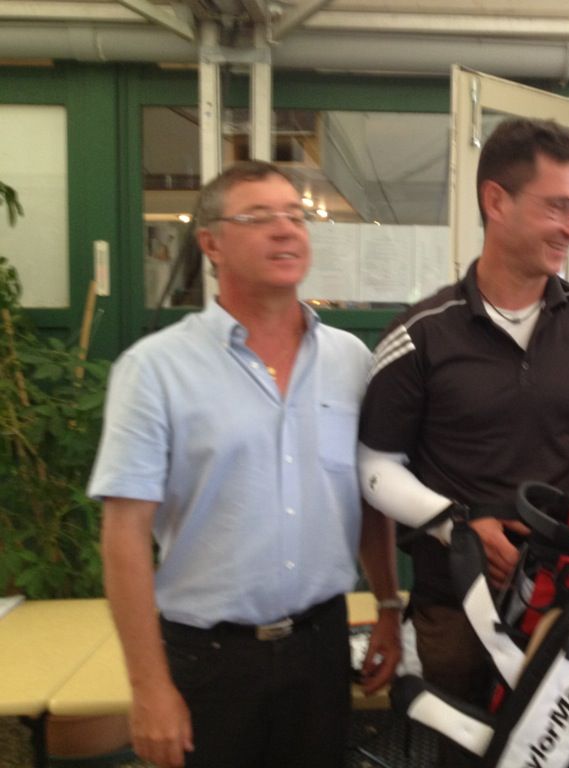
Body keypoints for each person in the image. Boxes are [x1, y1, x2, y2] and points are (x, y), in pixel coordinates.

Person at [357, 117, 569, 768]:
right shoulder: (421, 333)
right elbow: (375, 466)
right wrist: (455, 524)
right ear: (496, 200)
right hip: (463, 607)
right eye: (556, 206)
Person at [89, 161, 402, 768]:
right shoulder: (154, 370)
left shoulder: (349, 361)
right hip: (208, 659)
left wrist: (388, 608)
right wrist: (149, 687)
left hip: (320, 646)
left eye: (295, 216)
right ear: (211, 244)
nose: (285, 229)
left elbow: (369, 497)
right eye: (258, 217)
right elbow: (123, 535)